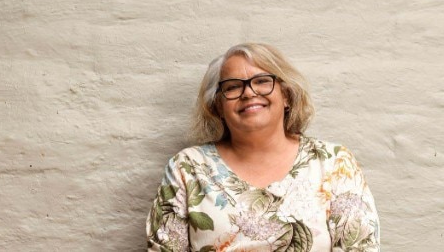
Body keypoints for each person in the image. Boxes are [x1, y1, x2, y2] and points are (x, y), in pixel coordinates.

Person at [145, 43, 379, 251]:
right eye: (233, 87)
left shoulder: (333, 163)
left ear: (286, 96)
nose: (249, 92)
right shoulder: (188, 168)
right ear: (218, 106)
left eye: (262, 81)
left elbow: (360, 247)